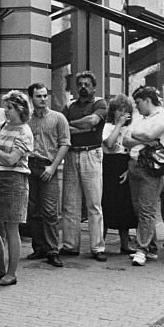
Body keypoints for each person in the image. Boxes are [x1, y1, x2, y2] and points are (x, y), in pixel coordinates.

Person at [0, 91, 33, 286]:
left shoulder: (24, 131)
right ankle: (0, 268)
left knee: (11, 228)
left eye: (10, 108)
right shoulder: (2, 126)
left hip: (15, 180)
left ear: (20, 109)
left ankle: (11, 273)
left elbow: (11, 160)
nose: (6, 112)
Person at [122, 86, 164, 266]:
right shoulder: (139, 118)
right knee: (139, 209)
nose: (136, 107)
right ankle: (151, 248)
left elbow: (151, 134)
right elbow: (125, 140)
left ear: (147, 100)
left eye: (138, 103)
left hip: (152, 167)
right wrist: (145, 138)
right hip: (135, 164)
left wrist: (139, 136)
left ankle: (142, 249)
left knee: (147, 209)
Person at [61, 71, 108, 261]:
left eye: (87, 84)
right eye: (80, 83)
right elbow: (63, 129)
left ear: (93, 87)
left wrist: (75, 126)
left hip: (91, 154)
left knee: (94, 203)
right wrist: (83, 128)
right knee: (70, 203)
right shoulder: (69, 105)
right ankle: (70, 245)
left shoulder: (100, 103)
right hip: (72, 155)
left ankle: (97, 247)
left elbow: (93, 121)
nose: (83, 87)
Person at [25, 82, 70, 267]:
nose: (43, 99)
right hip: (30, 166)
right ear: (31, 98)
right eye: (38, 96)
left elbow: (65, 143)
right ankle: (39, 247)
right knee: (33, 210)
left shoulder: (58, 118)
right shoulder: (26, 119)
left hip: (47, 166)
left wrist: (53, 167)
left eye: (45, 95)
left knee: (50, 211)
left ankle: (53, 250)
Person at [101, 95, 138, 254]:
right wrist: (118, 125)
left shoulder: (131, 129)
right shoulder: (108, 127)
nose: (121, 114)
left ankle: (125, 243)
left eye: (125, 111)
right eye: (118, 110)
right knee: (106, 204)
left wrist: (130, 170)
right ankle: (100, 242)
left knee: (125, 205)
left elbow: (134, 151)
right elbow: (109, 144)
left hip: (124, 165)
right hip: (109, 165)